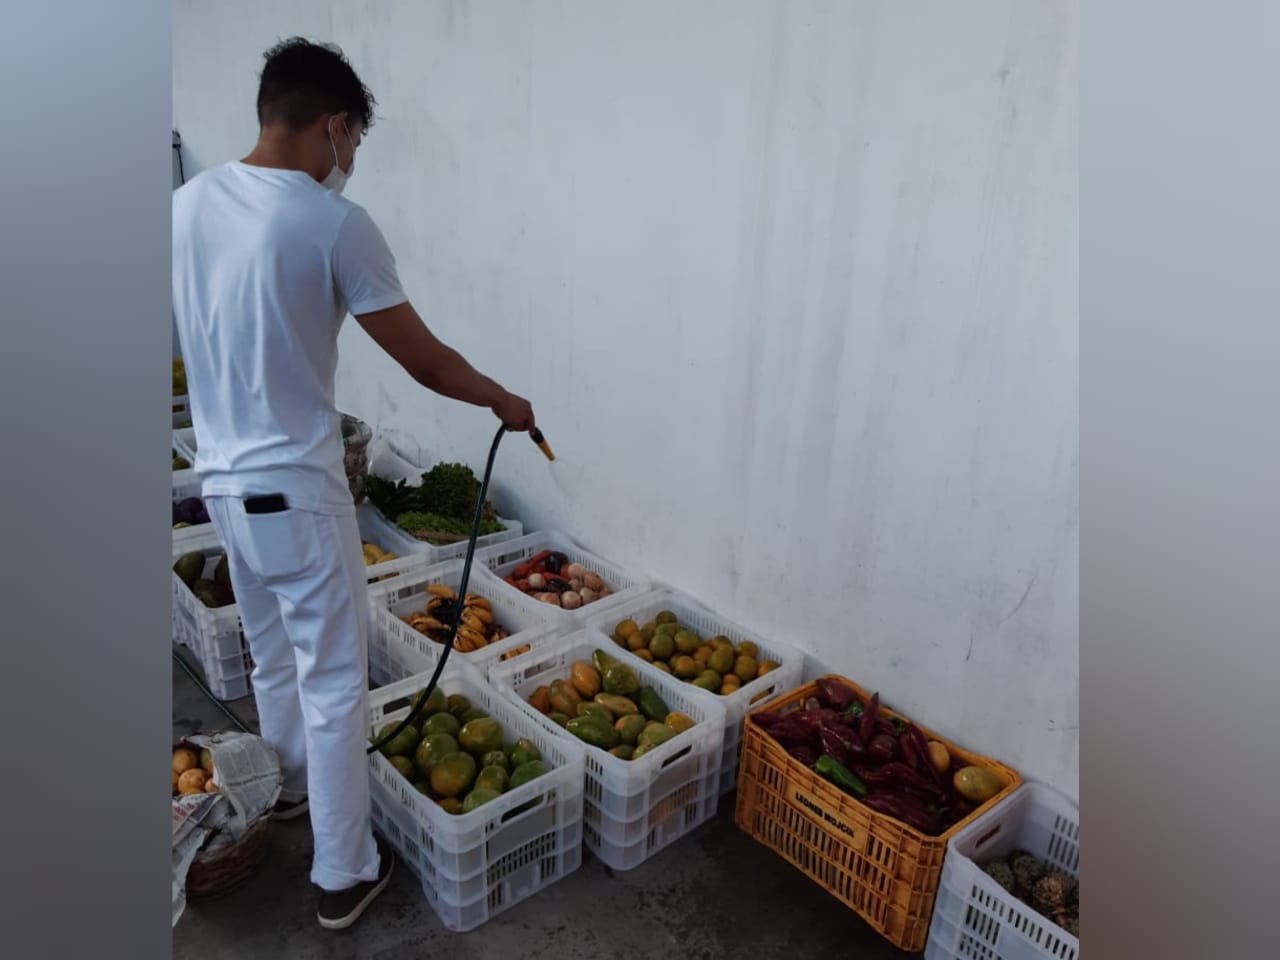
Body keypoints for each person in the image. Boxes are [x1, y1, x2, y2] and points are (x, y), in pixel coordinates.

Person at [171, 37, 535, 931]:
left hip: (220, 486)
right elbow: (423, 361)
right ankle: (342, 872)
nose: (352, 161)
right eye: (356, 140)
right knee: (336, 682)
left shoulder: (184, 206)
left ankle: (292, 789)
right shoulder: (332, 221)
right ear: (333, 124)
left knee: (272, 657)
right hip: (296, 489)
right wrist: (504, 400)